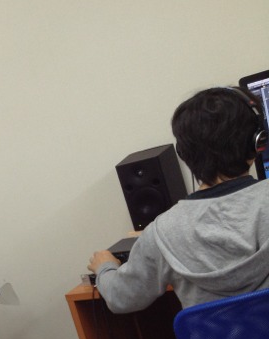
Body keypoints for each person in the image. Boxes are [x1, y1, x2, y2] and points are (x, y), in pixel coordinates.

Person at [88, 86, 269, 312]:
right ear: (257, 143)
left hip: (220, 338)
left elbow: (122, 298)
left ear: (183, 154)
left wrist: (105, 267)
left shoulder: (163, 232)